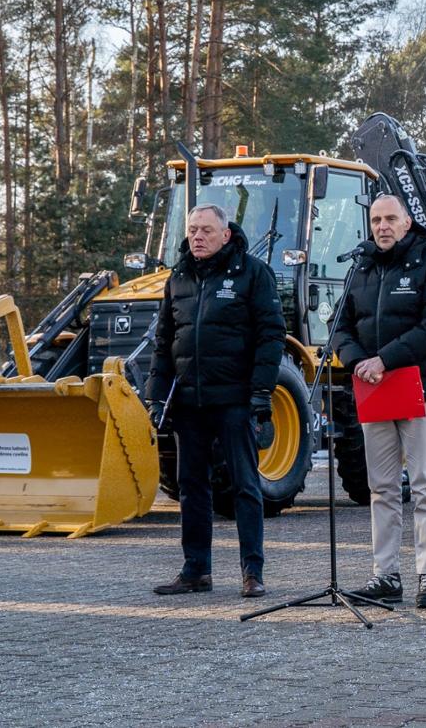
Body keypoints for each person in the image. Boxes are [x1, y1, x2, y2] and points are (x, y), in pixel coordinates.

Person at [146, 204, 286, 599]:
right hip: (190, 402)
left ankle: (252, 572)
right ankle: (196, 571)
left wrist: (261, 391)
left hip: (235, 400)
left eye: (206, 230)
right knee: (191, 487)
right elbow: (163, 343)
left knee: (245, 486)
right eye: (192, 230)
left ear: (226, 234)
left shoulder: (253, 274)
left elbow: (271, 335)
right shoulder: (178, 277)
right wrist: (158, 397)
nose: (198, 237)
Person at [330, 194, 426, 609]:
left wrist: (385, 359)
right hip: (373, 388)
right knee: (381, 488)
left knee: (423, 485)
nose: (382, 227)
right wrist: (357, 362)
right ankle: (385, 575)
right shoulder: (360, 267)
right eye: (376, 220)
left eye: (390, 219)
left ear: (406, 223)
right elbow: (339, 325)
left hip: (417, 386)